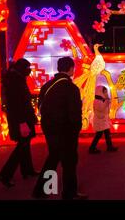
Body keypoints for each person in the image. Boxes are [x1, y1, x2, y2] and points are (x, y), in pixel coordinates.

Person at [32, 57, 87, 200]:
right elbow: (75, 113)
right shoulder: (71, 88)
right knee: (69, 162)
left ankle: (42, 190)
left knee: (53, 157)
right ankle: (69, 193)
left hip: (50, 129)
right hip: (66, 131)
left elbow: (40, 107)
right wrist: (77, 128)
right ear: (71, 69)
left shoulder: (47, 85)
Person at [0, 58, 38, 188]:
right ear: (21, 68)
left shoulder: (16, 79)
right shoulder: (15, 81)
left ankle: (28, 170)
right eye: (27, 68)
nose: (29, 70)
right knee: (22, 146)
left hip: (22, 118)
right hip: (21, 120)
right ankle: (5, 175)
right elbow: (17, 104)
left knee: (25, 145)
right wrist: (22, 122)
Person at [89, 85, 118, 154]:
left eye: (106, 92)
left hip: (103, 121)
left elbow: (106, 110)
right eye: (104, 92)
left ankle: (109, 146)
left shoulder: (102, 100)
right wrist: (106, 102)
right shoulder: (97, 101)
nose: (106, 94)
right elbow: (101, 109)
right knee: (99, 135)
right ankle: (92, 148)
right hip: (100, 121)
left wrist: (107, 101)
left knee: (106, 133)